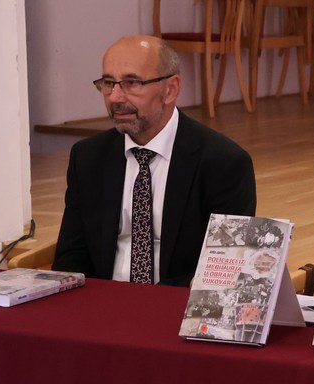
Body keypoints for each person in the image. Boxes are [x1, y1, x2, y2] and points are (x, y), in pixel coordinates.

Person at [53, 36, 256, 287]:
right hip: (102, 300)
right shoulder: (88, 157)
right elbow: (71, 256)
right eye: (108, 83)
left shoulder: (223, 163)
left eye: (131, 83)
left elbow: (223, 270)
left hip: (177, 302)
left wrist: (149, 302)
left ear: (170, 89)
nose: (115, 97)